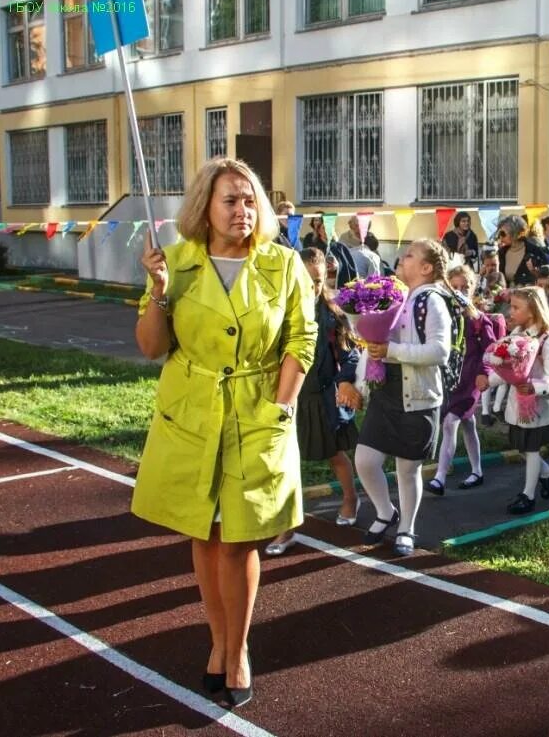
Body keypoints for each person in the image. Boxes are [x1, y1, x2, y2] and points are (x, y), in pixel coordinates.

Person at [134, 157, 317, 708]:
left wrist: (280, 410)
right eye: (230, 200)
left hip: (257, 415)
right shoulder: (175, 262)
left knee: (238, 540)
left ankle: (235, 652)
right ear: (205, 208)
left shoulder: (283, 265)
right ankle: (217, 644)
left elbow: (300, 341)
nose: (242, 210)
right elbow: (150, 346)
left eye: (249, 200)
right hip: (191, 416)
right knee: (204, 534)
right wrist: (159, 291)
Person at [355, 239, 453, 557]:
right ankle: (386, 511)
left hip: (419, 398)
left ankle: (407, 528)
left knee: (407, 471)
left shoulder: (432, 301)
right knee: (365, 461)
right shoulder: (398, 295)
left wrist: (390, 351)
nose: (402, 257)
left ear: (426, 268)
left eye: (410, 255)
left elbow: (440, 351)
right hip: (386, 393)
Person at [266, 248, 362, 555]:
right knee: (284, 465)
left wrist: (345, 380)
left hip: (320, 399)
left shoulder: (333, 314)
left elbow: (351, 355)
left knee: (334, 455)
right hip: (286, 397)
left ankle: (350, 499)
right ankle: (286, 528)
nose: (312, 287)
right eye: (305, 280)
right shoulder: (277, 312)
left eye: (318, 280)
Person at [488, 287, 549, 514]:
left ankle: (528, 495)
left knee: (532, 449)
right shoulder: (514, 338)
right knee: (521, 447)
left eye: (516, 307)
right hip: (518, 405)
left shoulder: (546, 342)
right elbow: (506, 370)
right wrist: (488, 381)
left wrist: (536, 387)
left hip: (538, 406)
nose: (510, 311)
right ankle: (546, 473)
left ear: (532, 311)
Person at [427, 265, 496, 495]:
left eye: (464, 287)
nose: (459, 292)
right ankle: (477, 470)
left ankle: (439, 477)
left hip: (470, 380)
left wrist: (483, 372)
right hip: (449, 379)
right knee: (468, 424)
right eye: (454, 287)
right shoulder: (444, 316)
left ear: (472, 289)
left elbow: (490, 349)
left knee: (450, 423)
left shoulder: (479, 319)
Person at [497, 215, 547, 287]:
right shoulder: (501, 253)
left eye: (503, 234)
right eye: (499, 234)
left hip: (527, 296)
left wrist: (535, 272)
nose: (500, 237)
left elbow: (545, 276)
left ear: (515, 233)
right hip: (505, 296)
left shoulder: (534, 251)